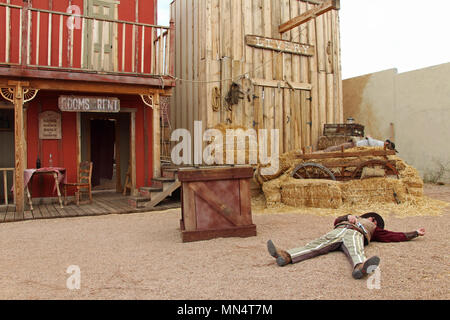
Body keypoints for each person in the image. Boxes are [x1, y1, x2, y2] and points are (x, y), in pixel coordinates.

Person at [267, 212, 425, 279]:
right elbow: (336, 221)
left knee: (356, 249)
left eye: (376, 221)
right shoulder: (352, 217)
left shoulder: (375, 230)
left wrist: (415, 233)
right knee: (316, 244)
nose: (373, 220)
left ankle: (360, 267)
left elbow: (393, 236)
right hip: (339, 231)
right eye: (372, 218)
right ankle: (286, 256)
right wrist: (347, 216)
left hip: (355, 234)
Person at [323, 137, 398, 153]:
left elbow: (371, 143)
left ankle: (327, 151)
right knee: (340, 147)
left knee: (339, 147)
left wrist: (369, 137)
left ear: (387, 143)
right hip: (359, 145)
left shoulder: (381, 144)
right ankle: (327, 150)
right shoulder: (381, 145)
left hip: (357, 145)